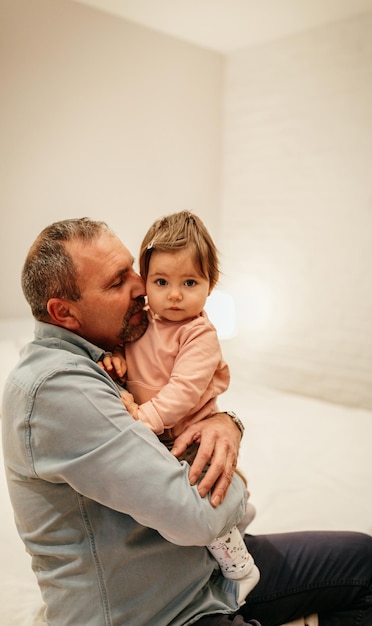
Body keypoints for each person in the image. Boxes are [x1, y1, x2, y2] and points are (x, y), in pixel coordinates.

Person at [2, 217, 372, 626]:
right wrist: (235, 477)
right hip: (159, 611)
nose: (141, 287)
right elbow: (197, 518)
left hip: (203, 574)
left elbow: (183, 392)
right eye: (118, 282)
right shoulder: (57, 389)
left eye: (133, 269)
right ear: (64, 313)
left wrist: (227, 422)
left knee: (365, 564)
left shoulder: (110, 346)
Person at [104, 211, 259, 605]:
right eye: (162, 282)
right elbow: (126, 351)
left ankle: (241, 566)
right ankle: (237, 520)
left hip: (189, 430)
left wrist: (145, 418)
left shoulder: (199, 334)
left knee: (204, 493)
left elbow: (184, 390)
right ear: (145, 282)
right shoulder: (140, 321)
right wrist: (115, 360)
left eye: (189, 283)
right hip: (156, 435)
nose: (174, 295)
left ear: (211, 286)